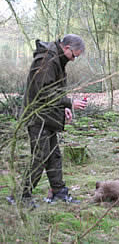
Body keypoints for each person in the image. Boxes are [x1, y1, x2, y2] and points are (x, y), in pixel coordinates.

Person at [7, 34, 87, 207]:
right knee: (40, 155)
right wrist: (70, 102)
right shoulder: (46, 60)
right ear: (66, 48)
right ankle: (21, 196)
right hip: (37, 117)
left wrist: (64, 108)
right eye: (74, 55)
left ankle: (58, 192)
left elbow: (54, 89)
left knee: (54, 155)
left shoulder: (57, 59)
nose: (74, 60)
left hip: (48, 116)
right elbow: (43, 92)